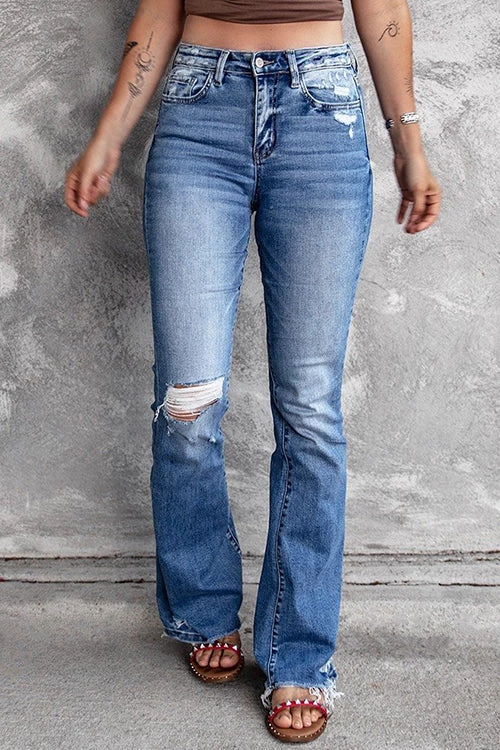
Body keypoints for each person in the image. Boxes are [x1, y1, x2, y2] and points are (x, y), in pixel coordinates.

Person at [65, 0, 441, 743]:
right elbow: (161, 9)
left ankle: (299, 652)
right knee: (188, 403)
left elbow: (382, 7)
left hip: (320, 115)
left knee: (310, 411)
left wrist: (408, 139)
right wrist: (108, 135)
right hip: (199, 114)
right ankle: (205, 610)